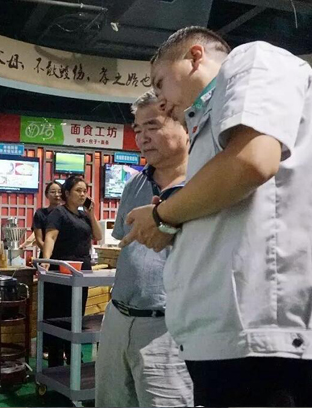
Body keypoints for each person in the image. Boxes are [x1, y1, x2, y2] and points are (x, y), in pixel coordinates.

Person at [120, 26, 312, 407]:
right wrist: (172, 220)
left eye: (160, 84)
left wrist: (162, 216)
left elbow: (252, 162)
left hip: (260, 346)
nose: (161, 102)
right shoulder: (211, 122)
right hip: (227, 340)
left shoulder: (252, 58)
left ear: (195, 57)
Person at [95, 91, 193, 407]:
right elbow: (127, 246)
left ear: (185, 127)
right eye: (137, 129)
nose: (142, 137)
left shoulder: (204, 185)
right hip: (117, 317)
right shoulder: (133, 185)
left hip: (168, 327)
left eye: (152, 126)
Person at [42, 176, 103, 367]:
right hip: (62, 270)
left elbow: (98, 235)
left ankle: (75, 360)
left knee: (77, 317)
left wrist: (91, 214)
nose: (82, 194)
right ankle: (55, 364)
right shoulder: (58, 213)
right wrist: (46, 262)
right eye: (78, 190)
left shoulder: (84, 215)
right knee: (59, 318)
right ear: (67, 193)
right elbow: (50, 237)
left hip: (82, 272)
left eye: (85, 191)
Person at [32, 181, 63, 254]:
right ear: (47, 195)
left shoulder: (67, 214)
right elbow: (39, 240)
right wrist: (48, 252)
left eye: (59, 192)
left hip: (65, 256)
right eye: (53, 192)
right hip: (47, 255)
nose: (57, 195)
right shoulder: (40, 213)